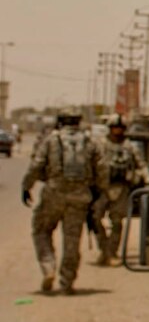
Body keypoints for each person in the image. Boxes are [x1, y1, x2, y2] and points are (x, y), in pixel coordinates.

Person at [21, 108, 107, 294]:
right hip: (79, 197)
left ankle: (48, 266)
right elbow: (102, 169)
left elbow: (36, 165)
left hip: (53, 194)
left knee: (41, 230)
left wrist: (26, 187)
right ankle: (66, 282)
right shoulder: (91, 141)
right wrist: (99, 192)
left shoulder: (51, 140)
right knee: (72, 241)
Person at [90, 114, 149, 265]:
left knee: (117, 222)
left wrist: (148, 180)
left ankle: (111, 253)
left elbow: (141, 164)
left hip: (121, 189)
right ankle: (104, 249)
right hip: (102, 188)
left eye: (120, 128)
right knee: (94, 219)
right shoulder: (100, 144)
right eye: (114, 128)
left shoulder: (129, 146)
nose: (117, 131)